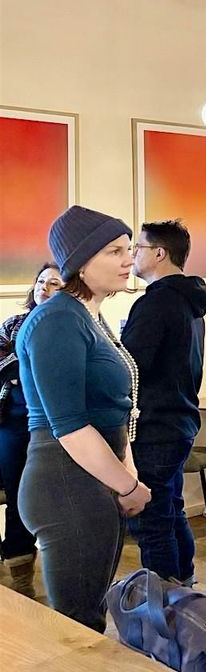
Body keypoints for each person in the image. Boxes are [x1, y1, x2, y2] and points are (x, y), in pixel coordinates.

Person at [16, 206, 150, 630]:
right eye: (115, 251)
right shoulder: (56, 320)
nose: (129, 260)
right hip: (65, 484)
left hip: (93, 480)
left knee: (91, 614)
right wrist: (128, 486)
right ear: (81, 262)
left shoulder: (88, 314)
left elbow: (115, 409)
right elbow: (70, 427)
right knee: (78, 628)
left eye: (129, 249)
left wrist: (125, 474)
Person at [122, 220, 206, 586]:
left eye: (137, 248)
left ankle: (165, 602)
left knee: (153, 521)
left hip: (156, 427)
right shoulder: (189, 300)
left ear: (159, 253)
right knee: (171, 510)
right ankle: (184, 586)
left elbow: (131, 366)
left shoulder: (156, 302)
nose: (131, 255)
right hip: (179, 422)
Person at [0, 263, 63, 596]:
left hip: (50, 425)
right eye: (40, 281)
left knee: (31, 499)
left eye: (54, 283)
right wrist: (25, 365)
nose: (44, 287)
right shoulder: (14, 324)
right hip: (10, 420)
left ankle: (24, 570)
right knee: (16, 494)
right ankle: (16, 569)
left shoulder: (70, 327)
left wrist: (21, 366)